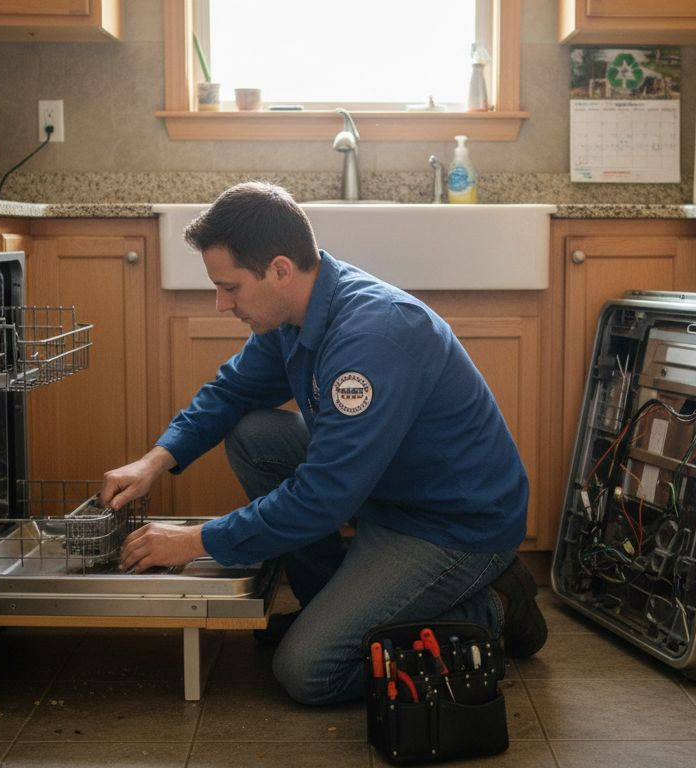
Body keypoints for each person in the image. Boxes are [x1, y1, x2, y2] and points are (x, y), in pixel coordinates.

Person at [99, 181, 546, 705]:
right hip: (385, 493)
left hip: (453, 526)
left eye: (231, 287)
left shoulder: (371, 338)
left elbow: (322, 497)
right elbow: (231, 392)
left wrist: (193, 541)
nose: (221, 304)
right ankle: (332, 606)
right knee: (255, 433)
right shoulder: (293, 314)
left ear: (280, 270)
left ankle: (490, 606)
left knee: (310, 671)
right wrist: (153, 462)